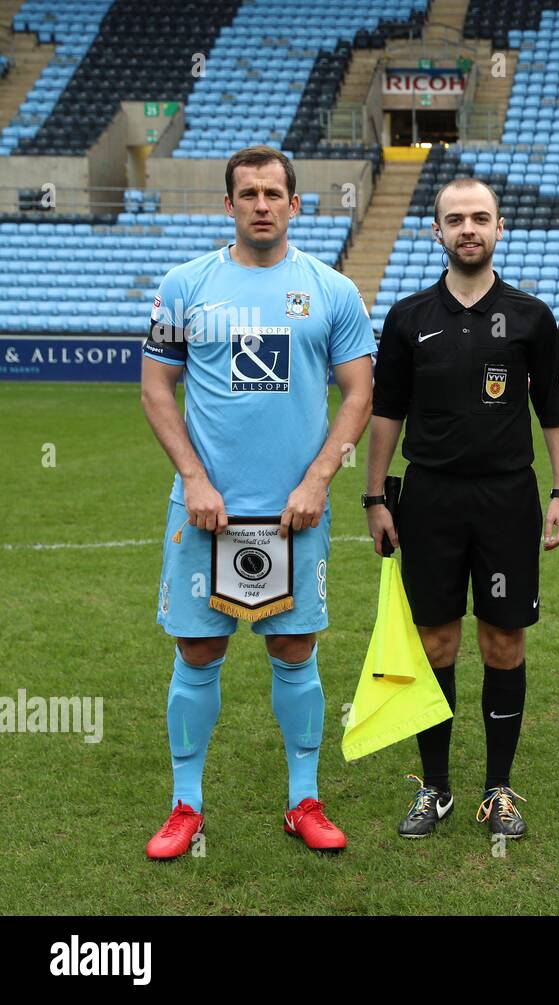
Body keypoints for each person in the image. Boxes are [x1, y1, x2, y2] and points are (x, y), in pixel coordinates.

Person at [140, 145, 375, 859]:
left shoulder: (333, 290)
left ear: (296, 205)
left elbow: (359, 393)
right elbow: (156, 390)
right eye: (249, 194)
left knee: (293, 646)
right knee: (199, 646)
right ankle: (186, 805)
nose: (263, 204)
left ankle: (303, 799)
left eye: (275, 193)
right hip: (205, 510)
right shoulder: (184, 285)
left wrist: (318, 479)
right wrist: (195, 478)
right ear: (229, 205)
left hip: (295, 512)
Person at [366, 177, 559, 840]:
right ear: (436, 231)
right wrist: (375, 495)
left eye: (479, 217)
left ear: (499, 227)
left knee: (503, 641)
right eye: (454, 218)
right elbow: (386, 412)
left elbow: (556, 410)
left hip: (508, 498)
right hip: (429, 497)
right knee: (436, 643)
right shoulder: (407, 318)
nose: (467, 228)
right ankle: (436, 788)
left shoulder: (531, 317)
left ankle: (498, 788)